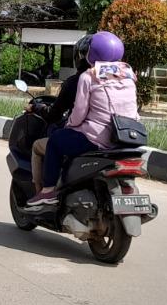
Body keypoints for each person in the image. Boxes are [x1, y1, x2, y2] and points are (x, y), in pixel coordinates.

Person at [29, 30, 141, 205]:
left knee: (56, 140)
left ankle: (47, 191)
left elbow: (79, 112)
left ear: (90, 54)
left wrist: (70, 127)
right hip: (126, 137)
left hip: (97, 138)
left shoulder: (88, 76)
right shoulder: (128, 74)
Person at [29, 35, 91, 197]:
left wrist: (36, 107)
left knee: (48, 143)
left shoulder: (81, 80)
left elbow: (63, 115)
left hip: (90, 137)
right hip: (119, 139)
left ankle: (43, 194)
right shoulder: (123, 80)